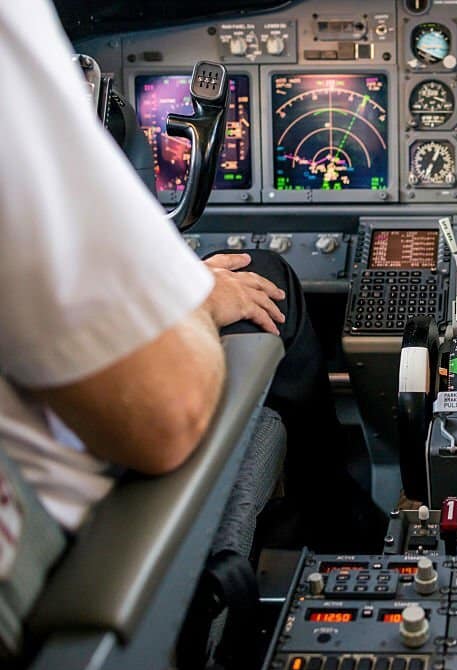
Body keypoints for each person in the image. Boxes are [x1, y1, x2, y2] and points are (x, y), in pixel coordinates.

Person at [0, 0, 383, 547]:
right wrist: (197, 306)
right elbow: (165, 418)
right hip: (74, 535)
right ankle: (337, 530)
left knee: (255, 274)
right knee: (267, 280)